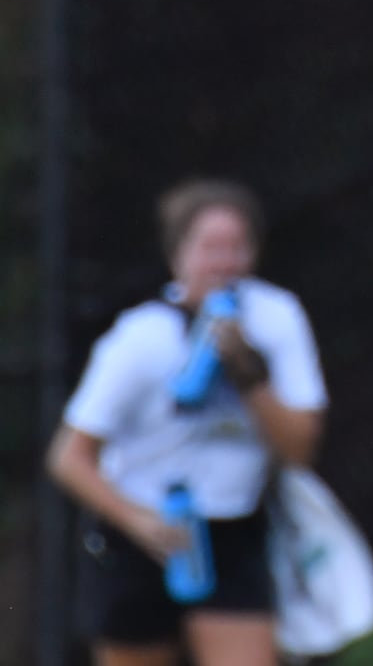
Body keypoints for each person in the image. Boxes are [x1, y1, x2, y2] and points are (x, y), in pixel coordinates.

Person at [46, 178, 329, 666]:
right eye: (210, 248)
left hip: (234, 530)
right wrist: (138, 522)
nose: (225, 263)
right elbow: (69, 458)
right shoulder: (141, 338)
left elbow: (300, 449)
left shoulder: (276, 317)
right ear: (179, 255)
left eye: (236, 248)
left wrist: (250, 379)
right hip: (140, 541)